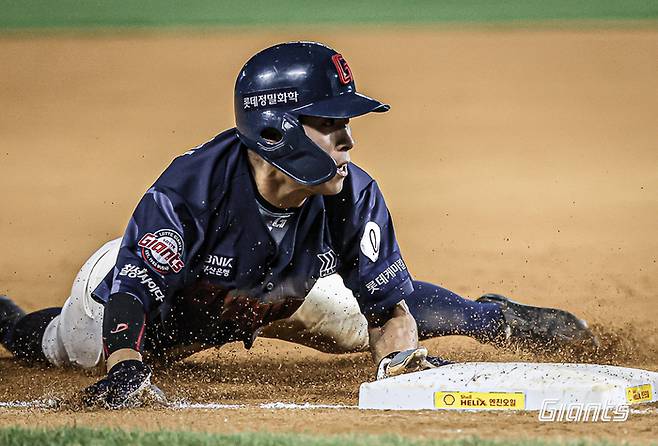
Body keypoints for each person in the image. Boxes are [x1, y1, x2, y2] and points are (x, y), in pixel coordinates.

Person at [0, 41, 598, 409]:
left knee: (350, 324)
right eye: (331, 123)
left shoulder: (352, 192)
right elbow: (134, 289)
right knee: (64, 348)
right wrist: (126, 368)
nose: (349, 139)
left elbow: (387, 307)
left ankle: (497, 315)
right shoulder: (191, 189)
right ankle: (7, 320)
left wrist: (401, 363)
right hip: (148, 303)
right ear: (277, 129)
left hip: (276, 289)